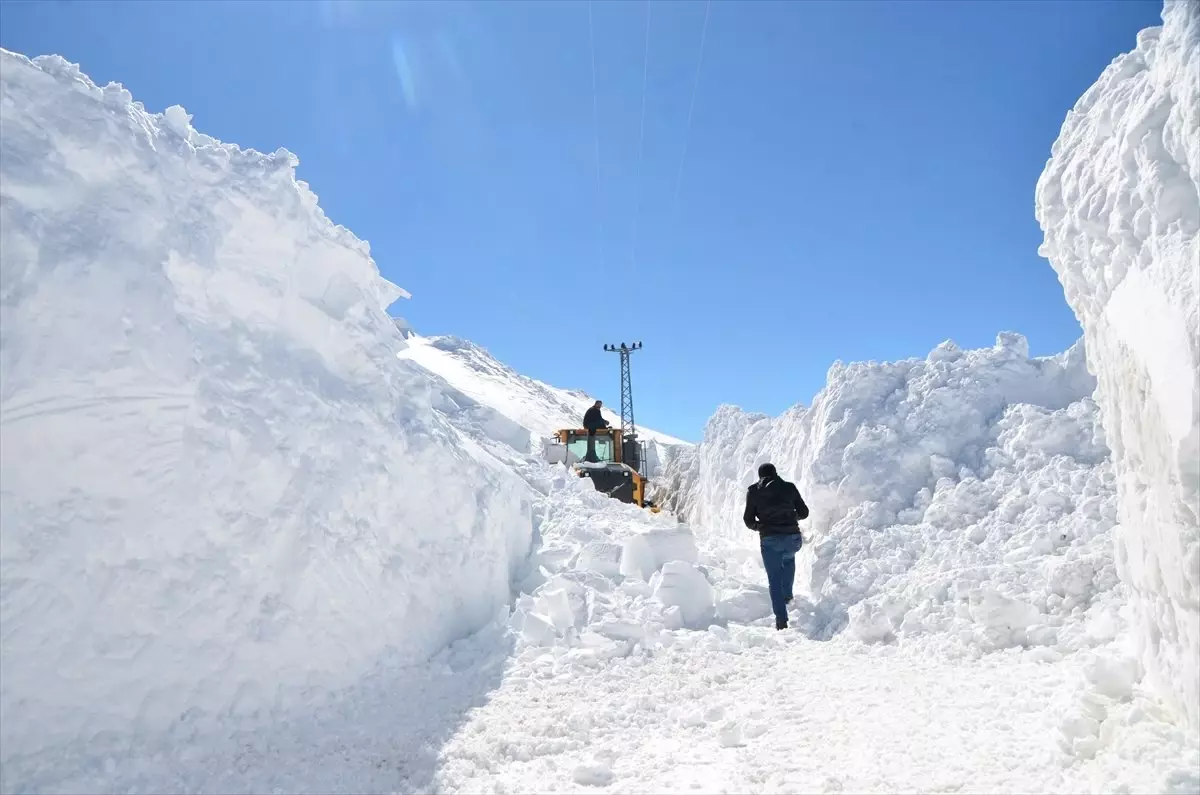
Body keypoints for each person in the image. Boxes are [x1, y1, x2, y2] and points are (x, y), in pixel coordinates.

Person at [743, 463, 810, 630]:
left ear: (760, 476)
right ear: (776, 474)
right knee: (788, 558)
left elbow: (748, 520)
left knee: (774, 579)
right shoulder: (789, 487)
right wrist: (790, 517)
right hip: (792, 539)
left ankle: (781, 620)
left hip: (770, 539)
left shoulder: (754, 491)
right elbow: (804, 512)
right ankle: (787, 595)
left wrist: (761, 527)